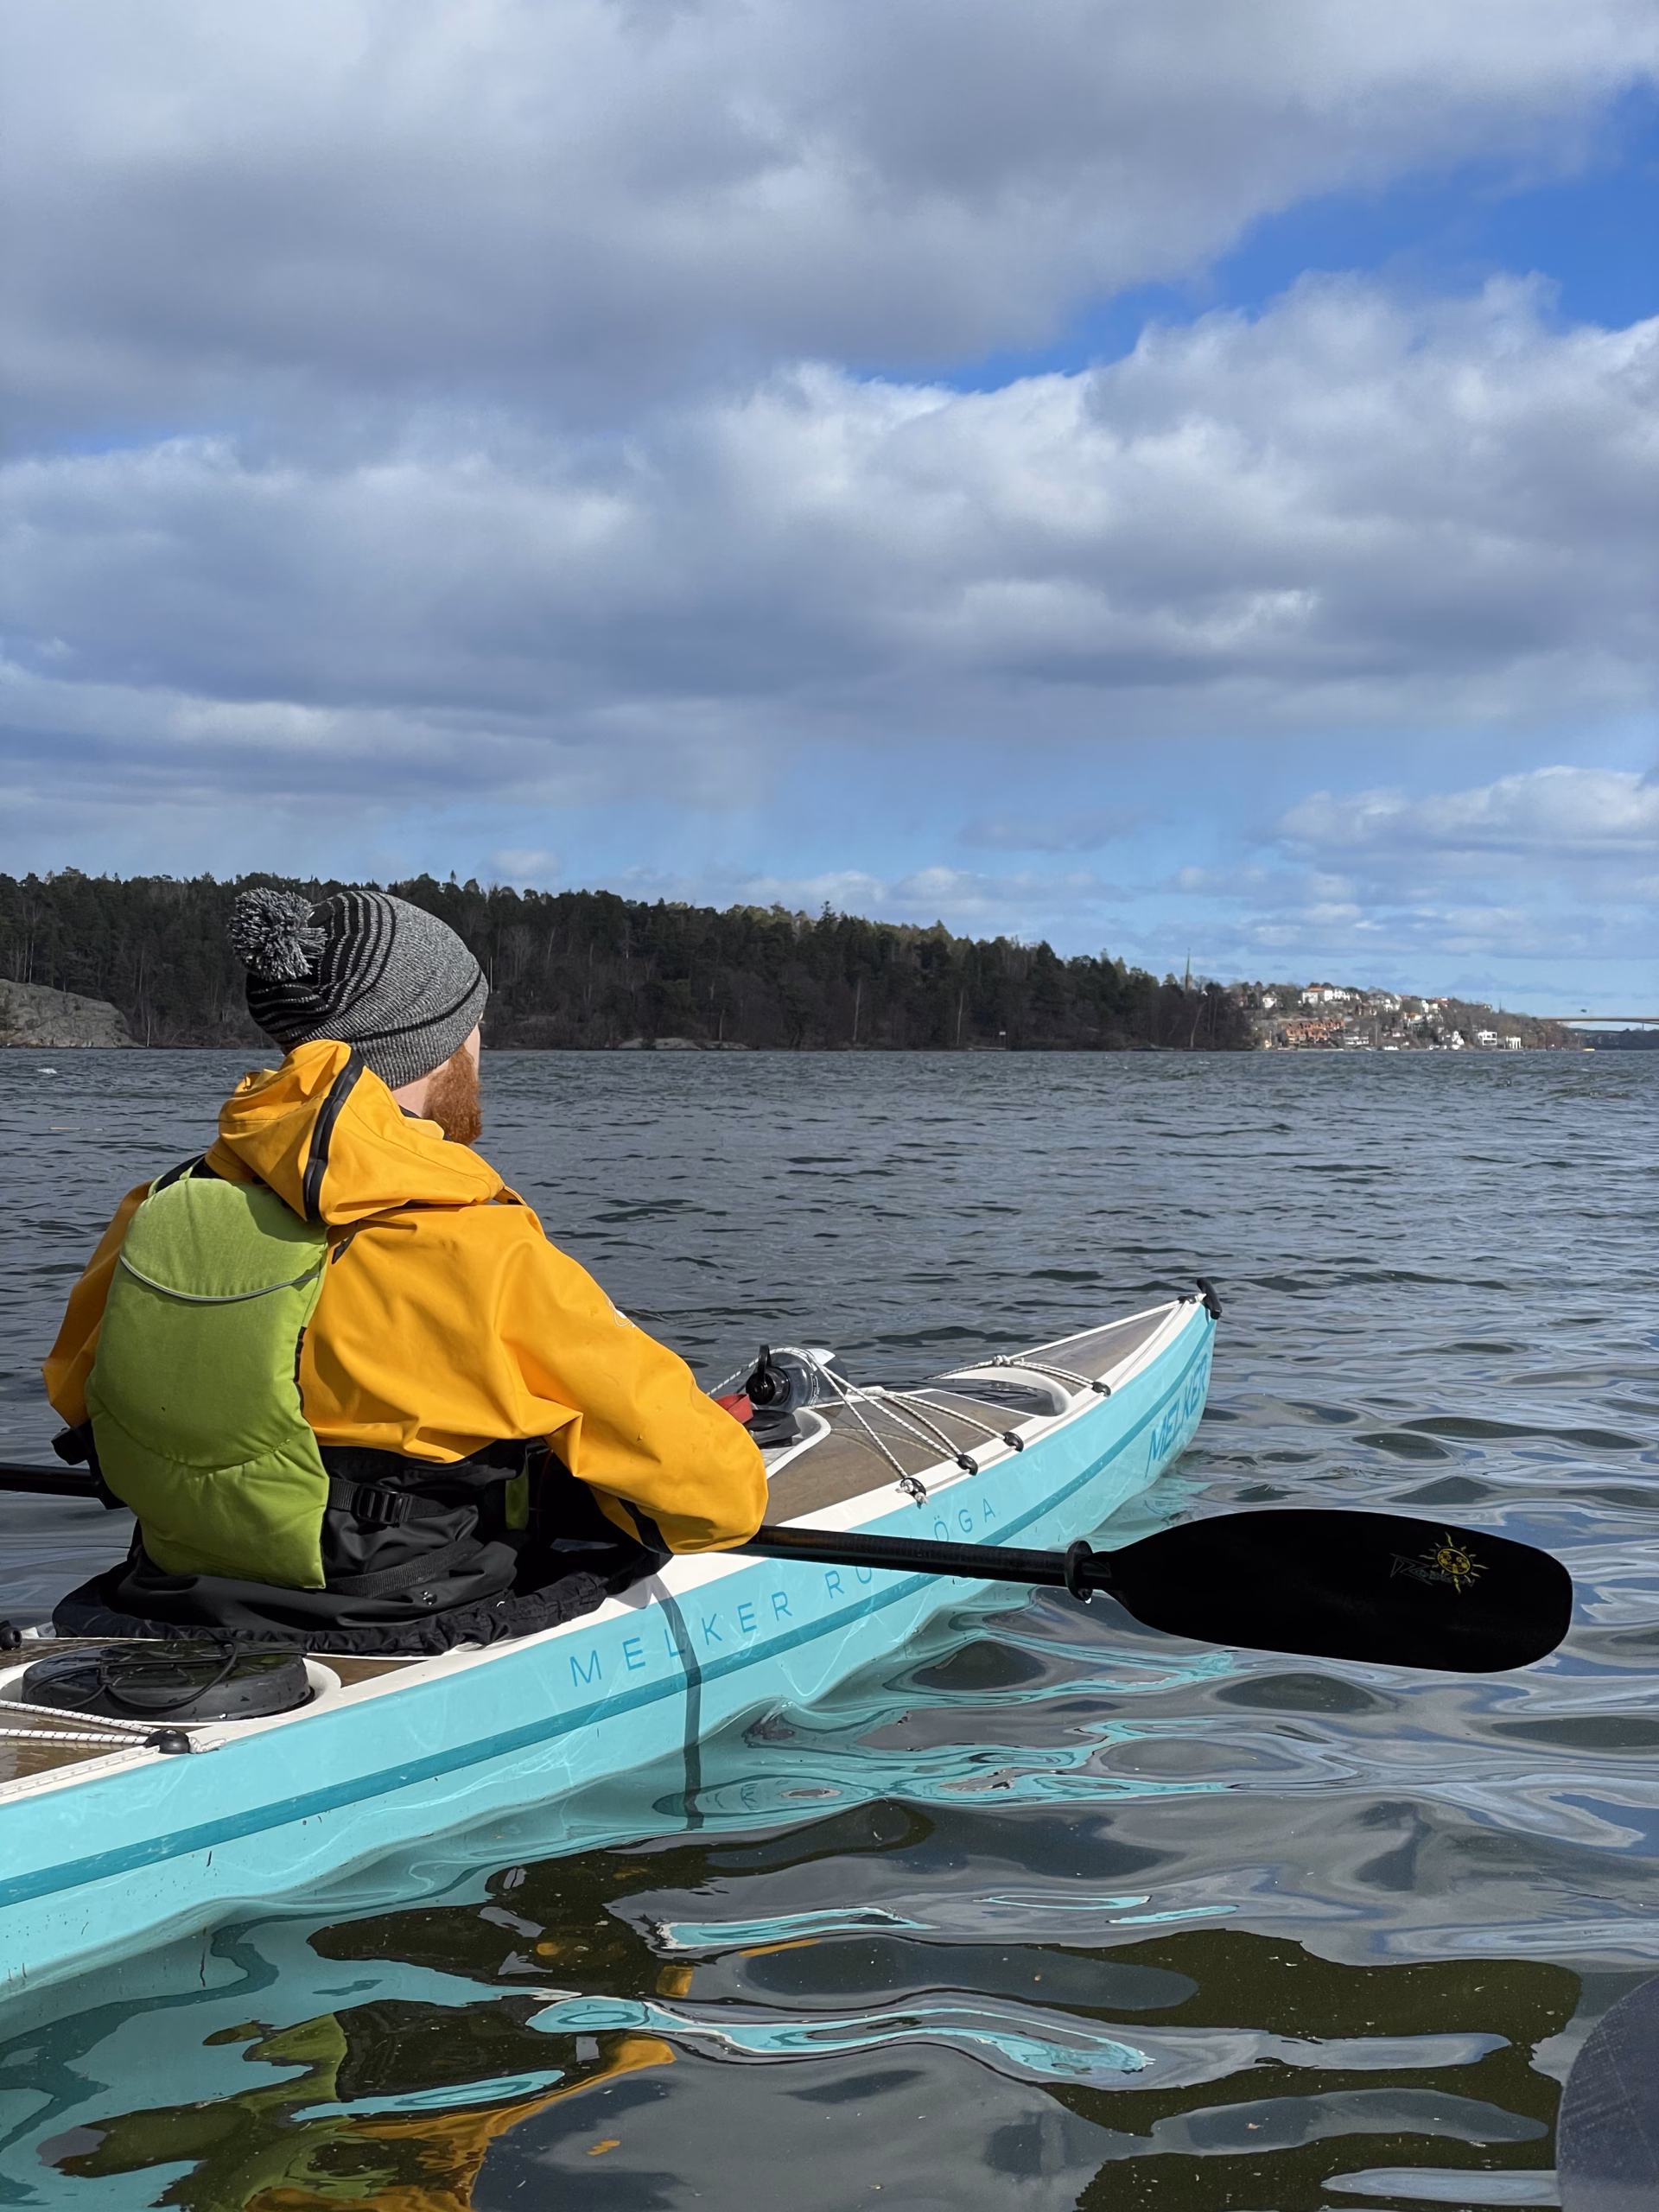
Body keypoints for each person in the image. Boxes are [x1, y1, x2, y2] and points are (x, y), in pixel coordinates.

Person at [43, 886, 767, 1649]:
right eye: (473, 1025)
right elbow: (718, 1503)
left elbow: (75, 1395)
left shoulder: (159, 1206)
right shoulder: (481, 1246)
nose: (481, 1044)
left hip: (171, 1590)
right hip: (402, 1614)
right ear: (437, 1044)